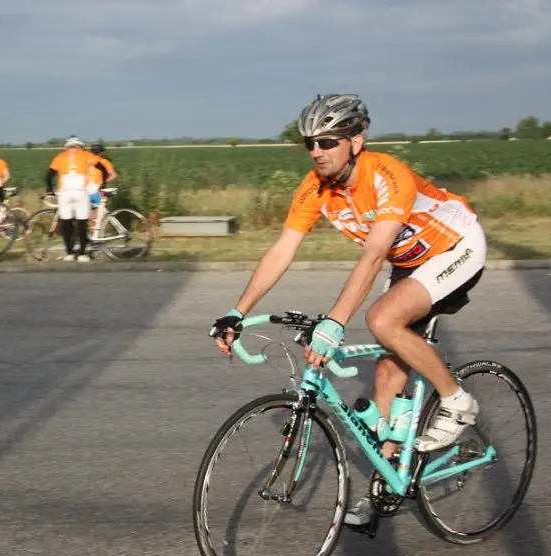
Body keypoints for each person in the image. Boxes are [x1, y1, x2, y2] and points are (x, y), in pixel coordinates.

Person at [208, 93, 486, 527]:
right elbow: (283, 250)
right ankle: (387, 485)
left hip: (455, 246)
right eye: (310, 143)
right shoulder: (315, 188)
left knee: (382, 319)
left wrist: (335, 323)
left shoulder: (387, 175)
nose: (317, 151)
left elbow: (373, 256)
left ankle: (457, 400)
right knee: (386, 376)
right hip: (410, 262)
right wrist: (236, 312)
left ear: (356, 141)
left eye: (327, 142)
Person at [45, 137, 106, 262]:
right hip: (81, 191)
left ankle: (69, 253)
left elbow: (49, 175)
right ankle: (83, 254)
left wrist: (50, 189)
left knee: (66, 223)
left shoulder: (60, 156)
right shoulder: (86, 154)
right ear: (80, 146)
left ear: (67, 146)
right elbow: (102, 168)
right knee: (82, 223)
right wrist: (103, 183)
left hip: (65, 192)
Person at [87, 142, 118, 234]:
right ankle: (96, 236)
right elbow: (114, 175)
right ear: (101, 152)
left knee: (91, 215)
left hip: (87, 189)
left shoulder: (86, 161)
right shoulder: (104, 161)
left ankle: (93, 236)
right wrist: (104, 183)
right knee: (98, 215)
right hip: (98, 190)